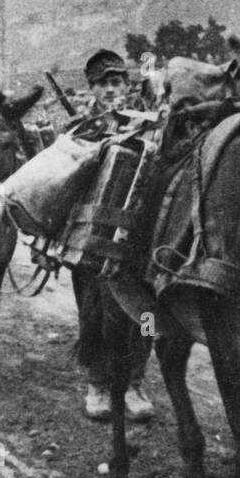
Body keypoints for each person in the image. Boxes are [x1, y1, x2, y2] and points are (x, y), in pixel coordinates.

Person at [74, 48, 155, 423]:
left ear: (127, 84)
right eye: (103, 83)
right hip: (90, 237)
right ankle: (97, 384)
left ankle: (135, 383)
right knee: (92, 314)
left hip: (138, 239)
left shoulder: (150, 122)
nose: (111, 89)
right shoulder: (81, 128)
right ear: (92, 88)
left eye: (117, 81)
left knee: (147, 315)